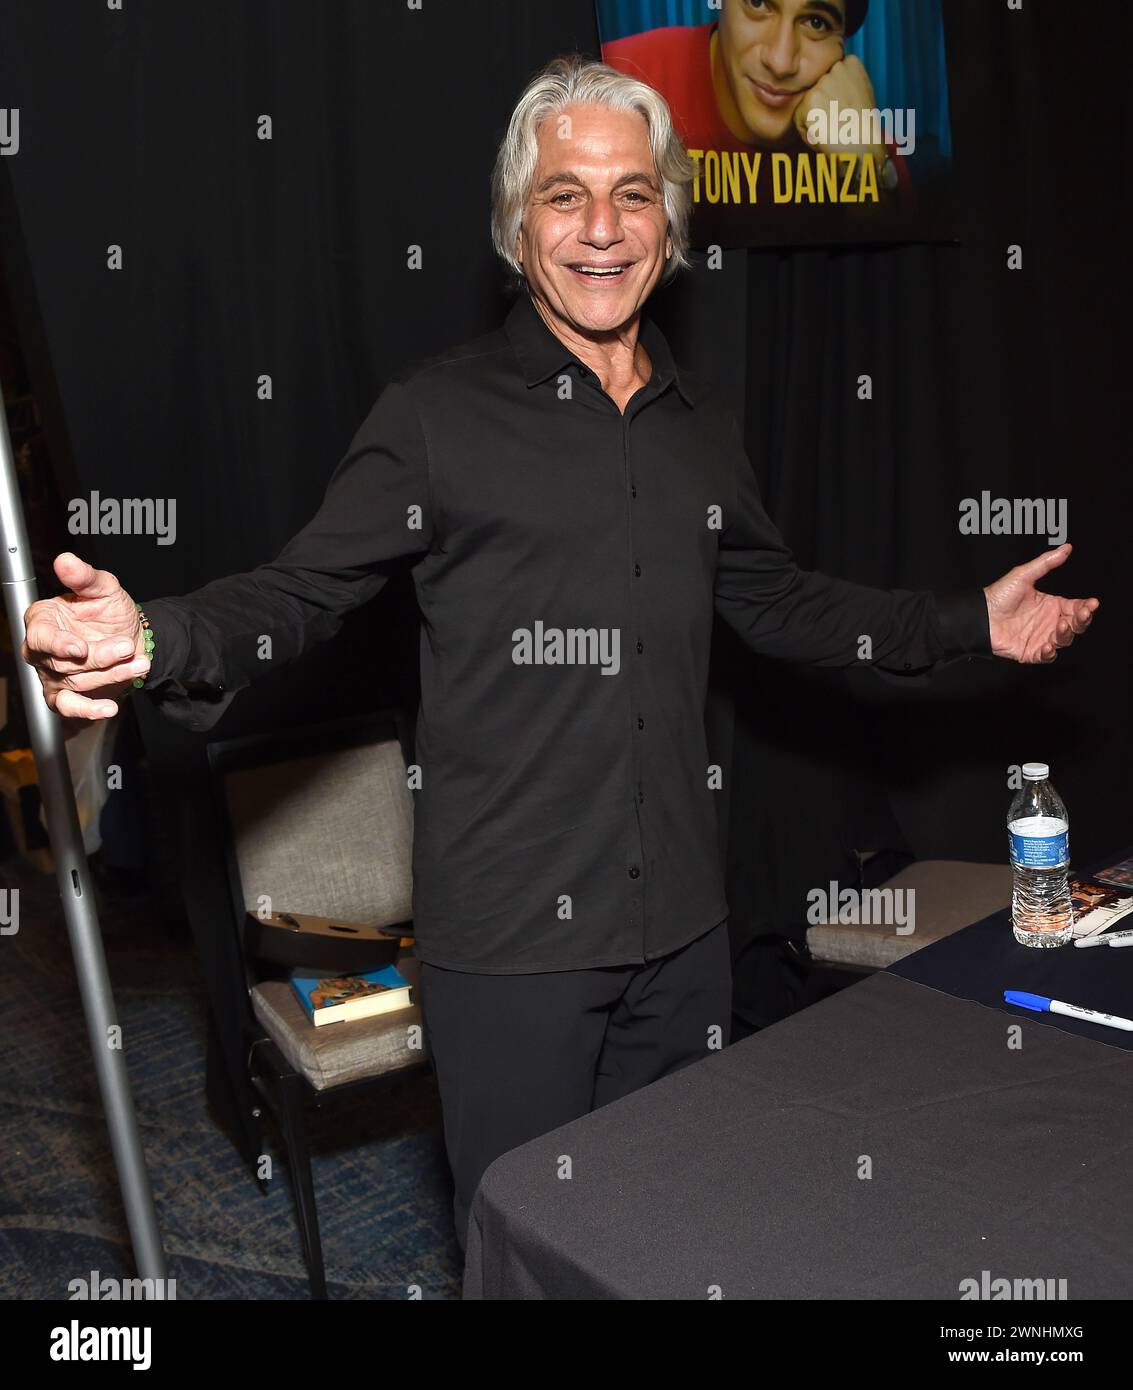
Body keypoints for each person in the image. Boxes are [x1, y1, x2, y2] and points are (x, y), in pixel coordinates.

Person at [21, 55, 1098, 1255]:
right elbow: (298, 593)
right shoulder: (435, 418)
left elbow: (782, 602)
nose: (600, 228)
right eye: (563, 195)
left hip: (684, 934)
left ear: (671, 224)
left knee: (667, 1237)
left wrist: (968, 621)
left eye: (633, 195)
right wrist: (157, 633)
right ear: (514, 224)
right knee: (527, 1251)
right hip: (511, 949)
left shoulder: (700, 428)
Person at [604, 0, 906, 195]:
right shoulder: (613, 77)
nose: (780, 61)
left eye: (816, 22)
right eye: (758, 3)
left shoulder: (869, 146)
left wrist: (865, 172)